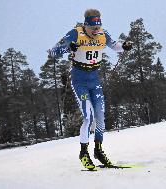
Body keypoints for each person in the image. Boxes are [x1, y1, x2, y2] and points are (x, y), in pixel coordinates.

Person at [50, 9, 132, 170]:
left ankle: (98, 151)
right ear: (85, 25)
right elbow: (53, 52)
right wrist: (68, 47)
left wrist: (124, 46)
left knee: (100, 117)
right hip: (79, 81)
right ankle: (83, 153)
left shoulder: (103, 33)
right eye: (93, 28)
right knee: (88, 116)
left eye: (98, 27)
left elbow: (115, 46)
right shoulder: (75, 33)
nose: (96, 31)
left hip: (95, 81)